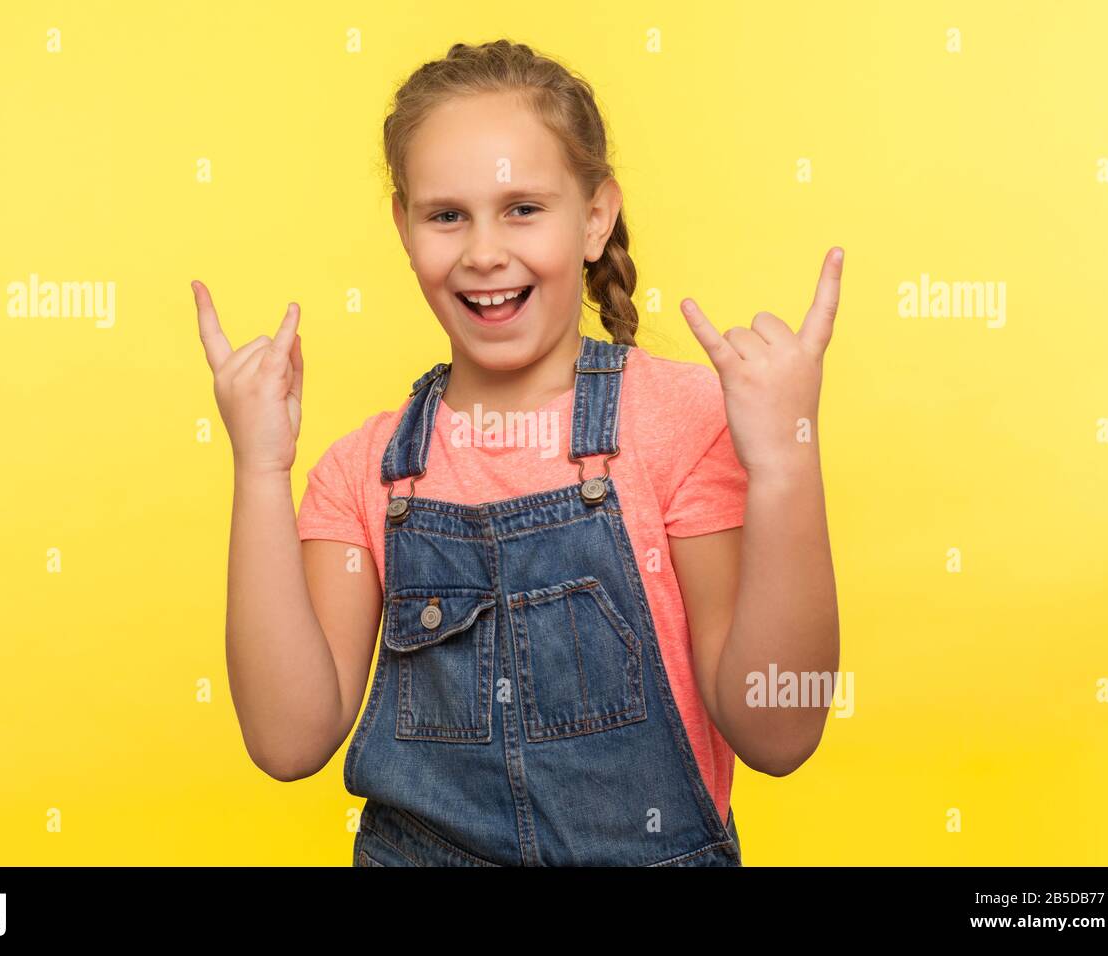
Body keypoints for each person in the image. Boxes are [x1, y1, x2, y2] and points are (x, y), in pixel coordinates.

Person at [191, 39, 841, 866]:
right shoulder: (368, 470)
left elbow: (779, 731)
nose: (484, 252)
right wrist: (258, 468)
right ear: (403, 226)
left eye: (523, 208)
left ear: (595, 217)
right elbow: (288, 744)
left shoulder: (681, 424)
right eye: (446, 214)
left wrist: (787, 462)